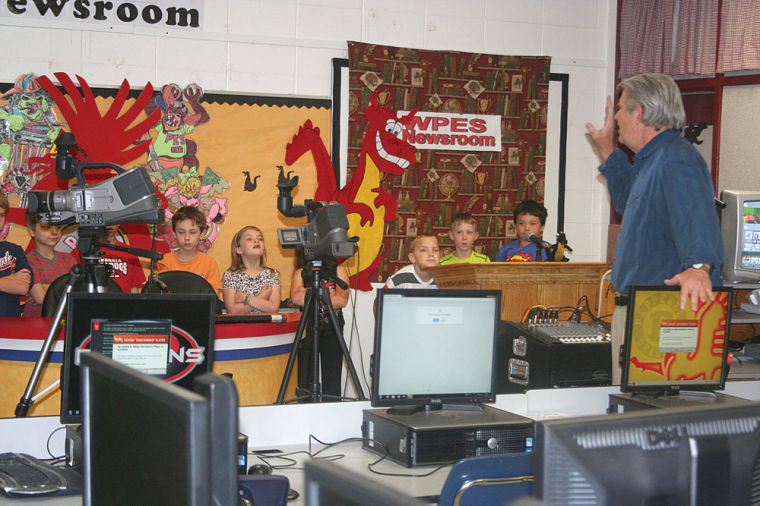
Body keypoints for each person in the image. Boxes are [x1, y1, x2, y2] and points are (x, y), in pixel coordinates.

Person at [585, 73, 722, 384]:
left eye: (621, 107)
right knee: (635, 410)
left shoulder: (676, 159)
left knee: (652, 414)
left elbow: (697, 215)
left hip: (663, 312)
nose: (616, 116)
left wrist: (699, 267)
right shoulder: (654, 160)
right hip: (642, 309)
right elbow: (627, 203)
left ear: (640, 112)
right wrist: (607, 151)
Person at [290, 256, 350, 400]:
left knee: (332, 376)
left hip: (332, 327)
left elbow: (342, 299)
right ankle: (306, 411)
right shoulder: (301, 272)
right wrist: (328, 295)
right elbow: (295, 298)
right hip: (307, 327)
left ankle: (332, 411)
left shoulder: (338, 270)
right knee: (306, 377)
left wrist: (310, 296)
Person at [156, 206, 223, 296]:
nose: (187, 238)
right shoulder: (165, 261)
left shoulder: (209, 264)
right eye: (181, 232)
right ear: (174, 234)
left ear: (202, 234)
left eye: (192, 232)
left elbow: (214, 297)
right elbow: (158, 294)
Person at [23, 213, 77, 316]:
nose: (54, 232)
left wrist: (46, 287)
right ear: (32, 230)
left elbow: (77, 293)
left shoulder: (69, 259)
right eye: (46, 227)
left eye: (58, 227)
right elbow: (40, 297)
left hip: (63, 322)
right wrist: (66, 287)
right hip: (36, 324)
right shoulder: (29, 261)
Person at [222, 226, 281, 314]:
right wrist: (262, 297)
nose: (256, 241)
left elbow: (273, 308)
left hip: (266, 325)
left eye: (260, 239)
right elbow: (232, 310)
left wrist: (246, 297)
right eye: (249, 239)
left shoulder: (272, 274)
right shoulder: (230, 275)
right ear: (239, 249)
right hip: (242, 326)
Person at [0, 194, 32, 317]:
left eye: (2, 215)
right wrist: (11, 279)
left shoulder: (15, 250)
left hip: (10, 324)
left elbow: (23, 287)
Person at [98, 225, 147, 293]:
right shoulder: (85, 251)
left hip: (123, 302)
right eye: (106, 221)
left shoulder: (129, 253)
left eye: (113, 222)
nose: (109, 226)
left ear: (118, 224)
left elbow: (134, 289)